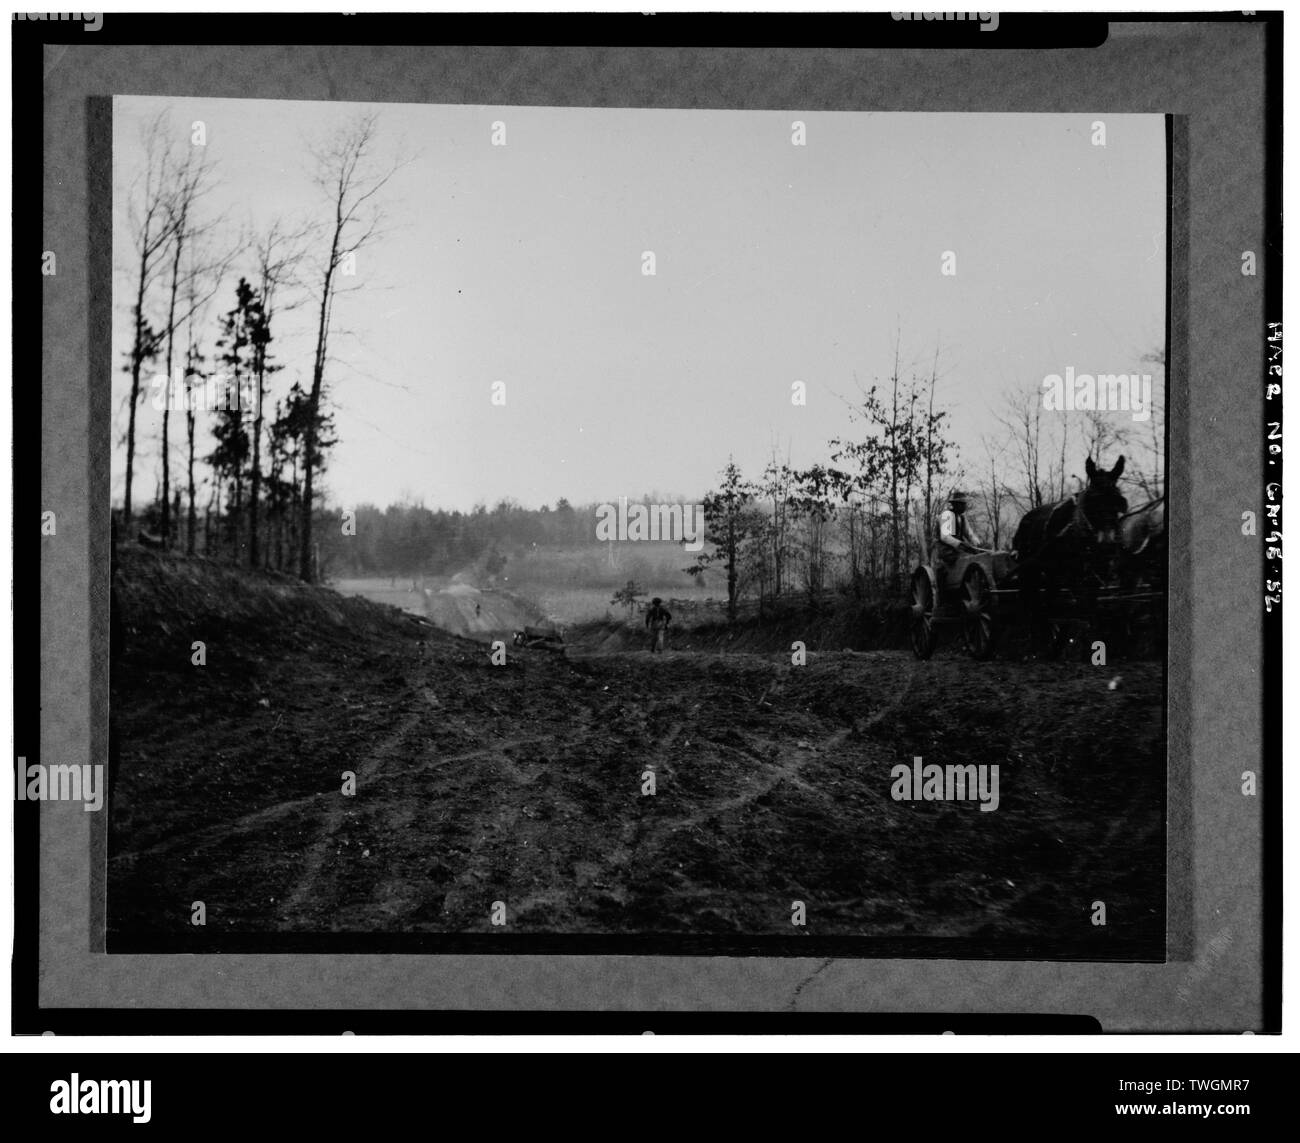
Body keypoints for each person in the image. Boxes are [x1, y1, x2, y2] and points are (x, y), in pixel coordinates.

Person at [937, 491, 983, 574]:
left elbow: (969, 534)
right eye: (963, 504)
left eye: (965, 504)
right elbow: (945, 537)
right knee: (969, 559)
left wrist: (978, 544)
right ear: (956, 504)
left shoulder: (962, 517)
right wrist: (961, 544)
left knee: (978, 556)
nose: (965, 506)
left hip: (958, 549)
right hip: (946, 551)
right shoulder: (947, 515)